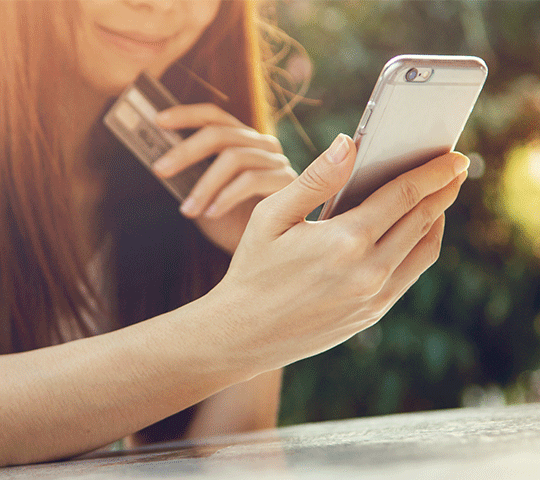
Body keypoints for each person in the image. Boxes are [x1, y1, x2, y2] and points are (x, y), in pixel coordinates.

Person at [0, 0, 470, 467]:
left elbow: (225, 457)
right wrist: (241, 325)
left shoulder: (178, 185)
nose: (159, 5)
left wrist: (247, 259)